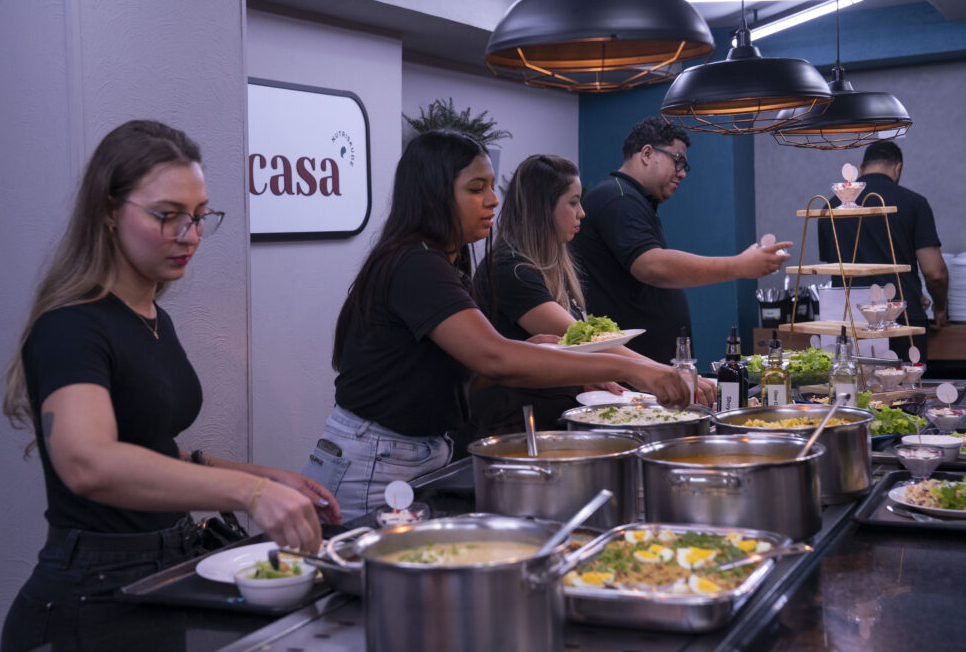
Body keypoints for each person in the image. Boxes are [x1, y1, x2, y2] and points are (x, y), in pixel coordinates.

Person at [0, 120, 340, 652]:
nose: (191, 235)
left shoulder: (154, 317)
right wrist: (250, 494)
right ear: (109, 211)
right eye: (168, 215)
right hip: (90, 596)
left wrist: (265, 476)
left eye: (199, 216)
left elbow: (149, 448)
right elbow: (88, 462)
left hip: (161, 569)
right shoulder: (71, 326)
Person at [302, 130, 708, 522]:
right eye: (476, 188)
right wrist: (632, 368)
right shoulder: (417, 264)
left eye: (491, 187)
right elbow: (496, 358)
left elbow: (461, 368)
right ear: (434, 194)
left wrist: (538, 351)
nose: (493, 200)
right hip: (376, 460)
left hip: (414, 452)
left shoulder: (442, 261)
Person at [463, 155, 716, 449]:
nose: (581, 213)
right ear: (542, 208)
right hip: (511, 430)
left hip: (545, 423)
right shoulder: (511, 269)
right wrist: (657, 373)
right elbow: (580, 338)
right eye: (573, 203)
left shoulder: (547, 265)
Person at [569, 117, 792, 364]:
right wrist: (740, 265)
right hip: (629, 369)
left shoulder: (630, 198)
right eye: (677, 161)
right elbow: (651, 266)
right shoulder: (618, 197)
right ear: (647, 154)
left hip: (646, 365)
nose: (683, 173)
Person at [817, 141, 948, 363]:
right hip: (900, 318)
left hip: (848, 320)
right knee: (904, 382)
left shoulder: (829, 208)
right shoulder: (914, 203)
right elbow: (935, 273)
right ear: (898, 168)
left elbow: (836, 266)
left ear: (861, 168)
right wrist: (940, 307)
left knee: (851, 383)